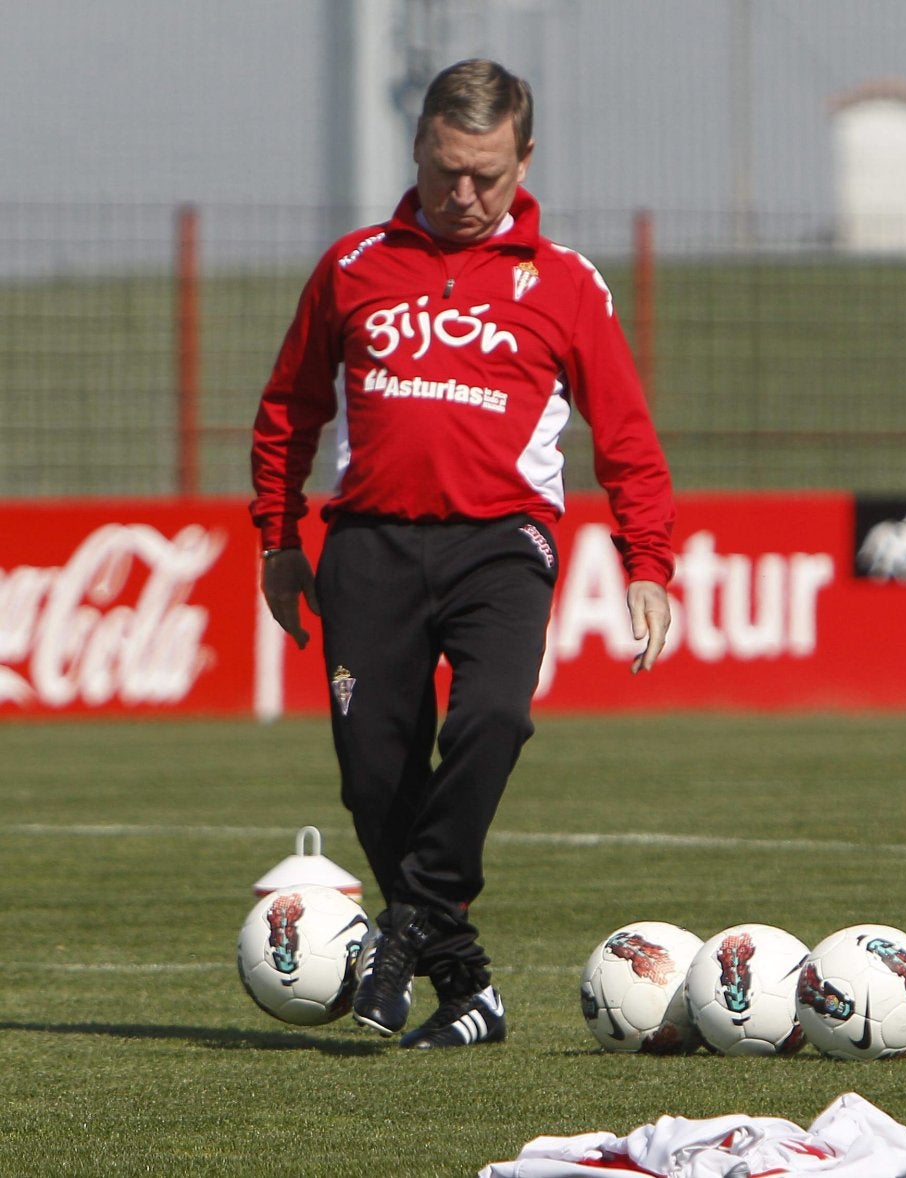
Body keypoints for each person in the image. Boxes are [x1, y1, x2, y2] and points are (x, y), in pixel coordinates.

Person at [249, 58, 674, 1049]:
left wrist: (646, 560)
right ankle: (466, 981)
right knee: (372, 775)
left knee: (492, 718)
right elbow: (289, 407)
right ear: (417, 152)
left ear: (525, 158)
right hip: (367, 543)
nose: (465, 194)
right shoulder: (352, 267)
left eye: (487, 173)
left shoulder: (565, 283)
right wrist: (277, 536)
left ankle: (404, 925)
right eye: (446, 171)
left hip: (501, 544)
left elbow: (625, 439)